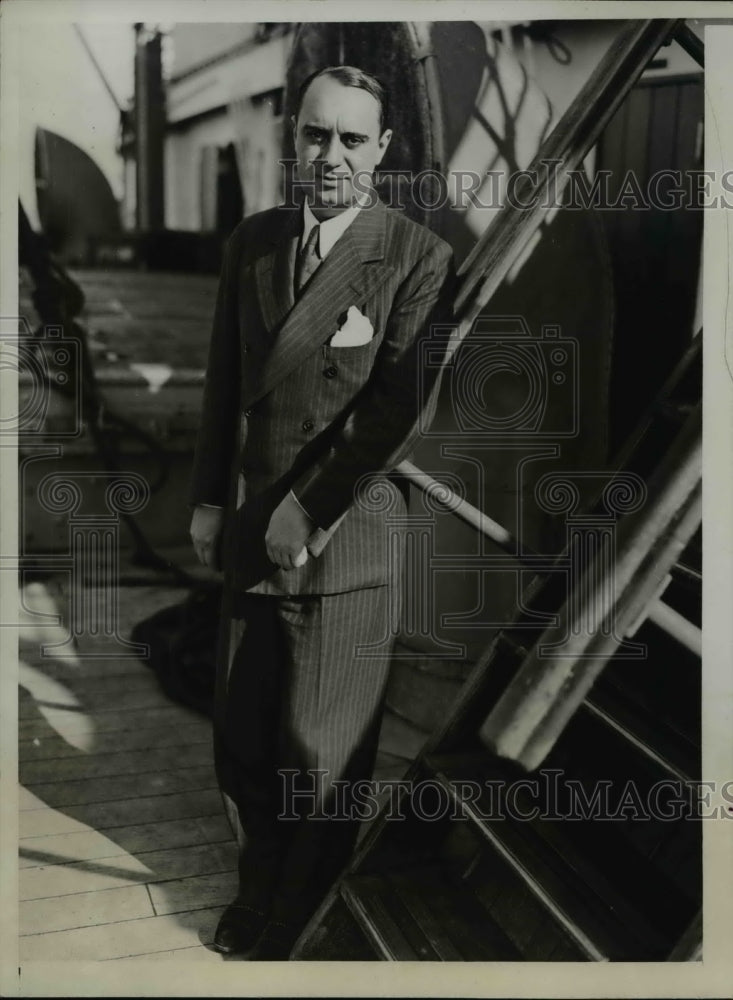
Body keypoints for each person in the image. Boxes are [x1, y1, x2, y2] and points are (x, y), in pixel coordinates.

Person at [188, 64, 456, 960]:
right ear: (290, 137)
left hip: (341, 538)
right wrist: (201, 498)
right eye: (314, 134)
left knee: (322, 755)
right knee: (244, 737)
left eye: (350, 139)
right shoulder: (253, 243)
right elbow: (224, 379)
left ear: (382, 150)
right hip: (249, 527)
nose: (329, 156)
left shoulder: (418, 255)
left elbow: (395, 412)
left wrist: (307, 510)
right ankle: (256, 884)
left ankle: (297, 909)